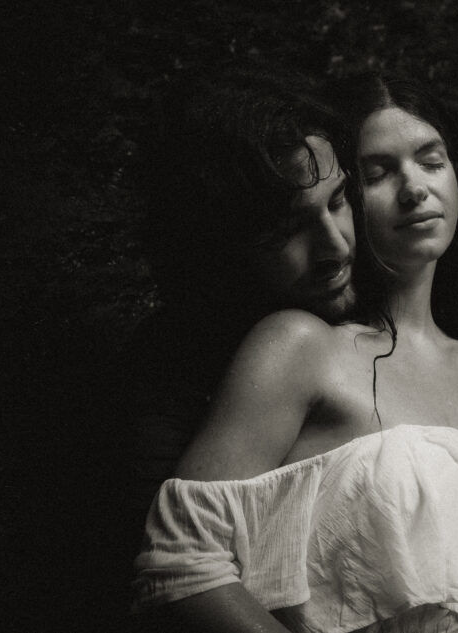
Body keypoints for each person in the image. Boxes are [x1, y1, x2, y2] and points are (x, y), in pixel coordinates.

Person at [132, 73, 458, 633]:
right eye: (377, 173)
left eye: (432, 160)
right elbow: (182, 562)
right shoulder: (301, 347)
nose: (414, 190)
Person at [122, 64, 357, 523]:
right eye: (290, 228)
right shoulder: (168, 372)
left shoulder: (382, 314)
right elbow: (165, 566)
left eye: (338, 201)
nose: (336, 246)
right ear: (222, 244)